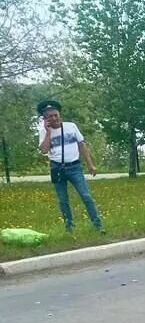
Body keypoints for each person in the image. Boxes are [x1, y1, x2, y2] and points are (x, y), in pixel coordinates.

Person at [36, 99, 103, 233]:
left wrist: (90, 165)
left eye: (56, 115)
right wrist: (48, 133)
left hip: (75, 167)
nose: (54, 118)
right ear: (45, 119)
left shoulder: (71, 126)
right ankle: (70, 227)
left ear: (59, 114)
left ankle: (98, 225)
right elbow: (44, 150)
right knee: (63, 200)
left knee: (86, 196)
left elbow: (82, 145)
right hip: (57, 168)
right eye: (50, 116)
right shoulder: (43, 132)